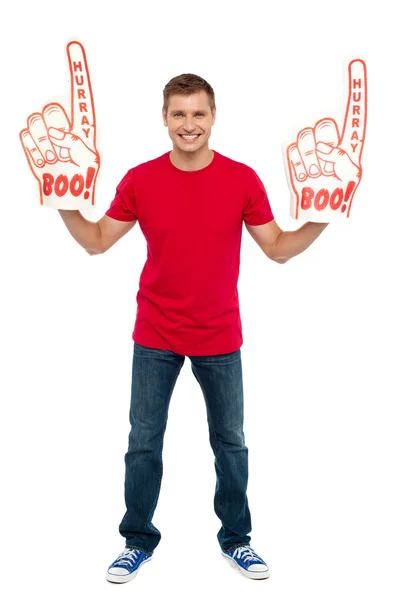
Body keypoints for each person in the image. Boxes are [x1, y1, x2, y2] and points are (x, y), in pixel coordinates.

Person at [58, 73, 328, 582]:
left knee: (230, 442)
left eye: (198, 113)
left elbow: (277, 249)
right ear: (164, 118)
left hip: (219, 334)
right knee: (144, 441)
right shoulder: (140, 179)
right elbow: (96, 240)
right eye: (178, 114)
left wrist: (325, 214)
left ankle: (237, 540)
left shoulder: (242, 179)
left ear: (213, 117)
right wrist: (62, 199)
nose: (188, 124)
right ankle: (136, 540)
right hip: (155, 333)